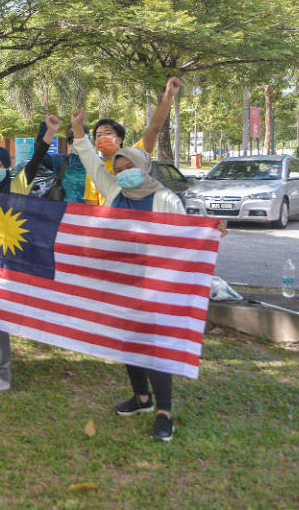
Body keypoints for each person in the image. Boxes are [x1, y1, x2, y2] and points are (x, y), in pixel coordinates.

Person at [70, 107, 226, 442]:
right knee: (129, 340)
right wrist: (77, 128)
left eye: (129, 167)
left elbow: (187, 238)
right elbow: (90, 160)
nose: (124, 172)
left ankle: (164, 414)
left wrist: (212, 230)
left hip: (157, 285)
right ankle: (141, 398)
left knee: (155, 346)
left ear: (143, 166)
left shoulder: (165, 198)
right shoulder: (114, 192)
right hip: (122, 281)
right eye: (119, 168)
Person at [0, 115, 61, 395]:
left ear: (7, 167)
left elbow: (36, 159)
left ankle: (2, 373)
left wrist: (48, 132)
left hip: (5, 261)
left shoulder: (18, 184)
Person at [85, 77, 181, 206]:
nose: (103, 137)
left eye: (108, 133)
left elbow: (154, 128)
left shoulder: (136, 155)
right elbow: (92, 207)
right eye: (99, 135)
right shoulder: (95, 172)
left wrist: (168, 96)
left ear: (119, 139)